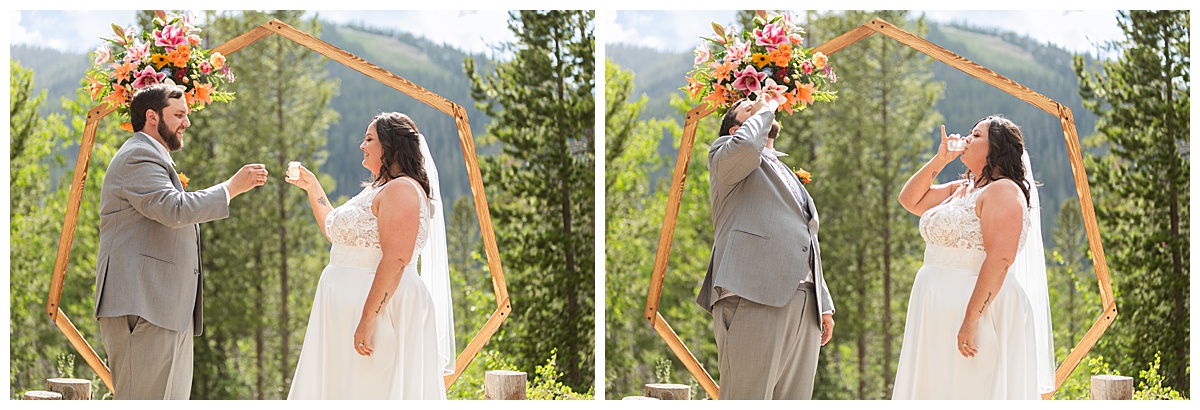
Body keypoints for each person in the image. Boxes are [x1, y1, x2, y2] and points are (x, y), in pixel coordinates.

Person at [93, 83, 268, 400]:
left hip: (162, 306)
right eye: (179, 115)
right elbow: (174, 209)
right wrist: (231, 187)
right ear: (152, 116)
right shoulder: (138, 156)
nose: (186, 123)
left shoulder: (150, 156)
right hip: (144, 304)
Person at [286, 112, 454, 399]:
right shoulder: (379, 188)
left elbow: (397, 259)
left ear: (391, 146)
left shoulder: (401, 189)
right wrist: (313, 187)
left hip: (381, 309)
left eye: (369, 139)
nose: (362, 146)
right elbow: (336, 233)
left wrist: (367, 319)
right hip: (346, 310)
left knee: (371, 389)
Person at [893, 116, 1054, 399]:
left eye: (975, 135)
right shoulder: (961, 189)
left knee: (971, 388)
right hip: (935, 304)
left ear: (995, 149)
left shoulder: (1003, 191)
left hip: (978, 308)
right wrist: (940, 159)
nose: (967, 139)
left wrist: (971, 319)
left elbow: (1000, 259)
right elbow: (909, 200)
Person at [695, 98, 835, 400]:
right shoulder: (725, 155)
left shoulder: (784, 170)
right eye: (750, 107)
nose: (760, 105)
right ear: (735, 130)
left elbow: (805, 236)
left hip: (803, 305)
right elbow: (746, 147)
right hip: (752, 295)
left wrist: (822, 302)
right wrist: (768, 104)